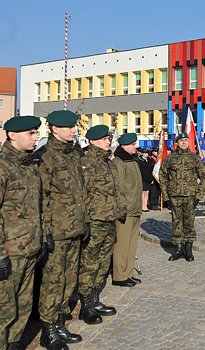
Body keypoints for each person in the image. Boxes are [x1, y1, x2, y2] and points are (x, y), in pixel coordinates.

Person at [0, 116, 46, 350]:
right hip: (9, 252)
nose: (36, 137)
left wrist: (42, 239)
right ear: (12, 135)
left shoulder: (29, 166)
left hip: (29, 248)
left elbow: (37, 206)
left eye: (36, 133)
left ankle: (14, 343)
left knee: (24, 304)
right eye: (31, 133)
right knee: (2, 310)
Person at [34, 110, 87, 350]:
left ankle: (60, 321)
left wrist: (83, 221)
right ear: (54, 129)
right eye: (69, 127)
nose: (74, 130)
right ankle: (48, 329)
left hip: (74, 227)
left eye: (75, 126)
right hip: (56, 230)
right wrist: (45, 233)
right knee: (53, 282)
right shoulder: (45, 157)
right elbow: (41, 197)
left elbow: (80, 192)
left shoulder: (73, 154)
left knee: (69, 279)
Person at [77, 125, 122, 325]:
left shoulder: (108, 163)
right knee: (90, 264)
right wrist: (84, 221)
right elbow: (81, 195)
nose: (108, 141)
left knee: (103, 263)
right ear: (93, 141)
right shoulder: (86, 163)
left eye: (108, 138)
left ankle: (95, 301)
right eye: (104, 138)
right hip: (94, 222)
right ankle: (86, 307)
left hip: (108, 220)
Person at [159, 132, 205, 261]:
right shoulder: (170, 159)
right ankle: (178, 249)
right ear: (177, 143)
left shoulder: (195, 158)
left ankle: (188, 250)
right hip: (174, 196)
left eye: (186, 140)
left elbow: (204, 176)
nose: (184, 142)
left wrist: (199, 196)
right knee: (176, 222)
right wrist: (166, 197)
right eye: (181, 140)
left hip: (190, 196)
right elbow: (163, 177)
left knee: (189, 223)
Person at [112, 133, 142, 287]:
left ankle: (128, 272)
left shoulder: (132, 160)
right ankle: (119, 275)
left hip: (135, 208)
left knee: (131, 244)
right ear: (124, 146)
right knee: (122, 244)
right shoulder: (119, 162)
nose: (135, 146)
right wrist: (122, 208)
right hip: (126, 209)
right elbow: (119, 187)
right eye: (132, 144)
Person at [137, 147, 154, 212]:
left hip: (148, 178)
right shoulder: (139, 160)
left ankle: (145, 205)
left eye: (147, 153)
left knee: (147, 192)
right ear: (142, 154)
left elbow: (151, 170)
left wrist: (152, 179)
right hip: (142, 178)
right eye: (144, 153)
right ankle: (142, 206)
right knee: (142, 192)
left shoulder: (149, 160)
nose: (146, 154)